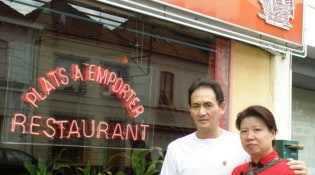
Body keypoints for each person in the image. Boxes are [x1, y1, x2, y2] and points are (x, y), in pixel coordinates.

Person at [160, 78, 307, 175]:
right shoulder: (177, 149)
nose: (202, 112)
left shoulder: (241, 145)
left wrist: (290, 169)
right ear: (189, 110)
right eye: (196, 106)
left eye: (208, 105)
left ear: (222, 107)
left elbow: (266, 161)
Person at [232, 105, 294, 175]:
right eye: (244, 131)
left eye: (257, 130)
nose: (249, 137)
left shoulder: (289, 170)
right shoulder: (237, 171)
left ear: (272, 133)